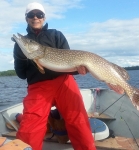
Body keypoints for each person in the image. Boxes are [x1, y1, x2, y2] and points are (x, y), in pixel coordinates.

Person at [13, 2, 96, 150]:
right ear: (26, 18)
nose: (35, 17)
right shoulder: (20, 44)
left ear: (44, 17)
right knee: (30, 127)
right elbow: (21, 74)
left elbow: (69, 63)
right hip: (38, 87)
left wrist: (79, 70)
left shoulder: (56, 35)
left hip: (64, 82)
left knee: (79, 122)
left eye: (39, 14)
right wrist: (20, 55)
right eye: (31, 15)